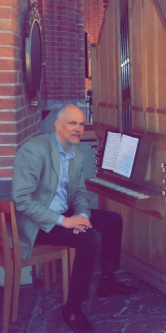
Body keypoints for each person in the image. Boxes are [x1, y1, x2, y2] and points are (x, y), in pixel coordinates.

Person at [12, 104, 136, 333]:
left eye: (81, 123)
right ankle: (72, 308)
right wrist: (64, 222)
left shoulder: (77, 154)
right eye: (72, 123)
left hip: (64, 212)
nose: (78, 128)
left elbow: (79, 193)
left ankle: (107, 279)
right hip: (37, 221)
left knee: (113, 220)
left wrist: (82, 216)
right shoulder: (33, 150)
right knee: (88, 240)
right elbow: (21, 200)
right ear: (57, 125)